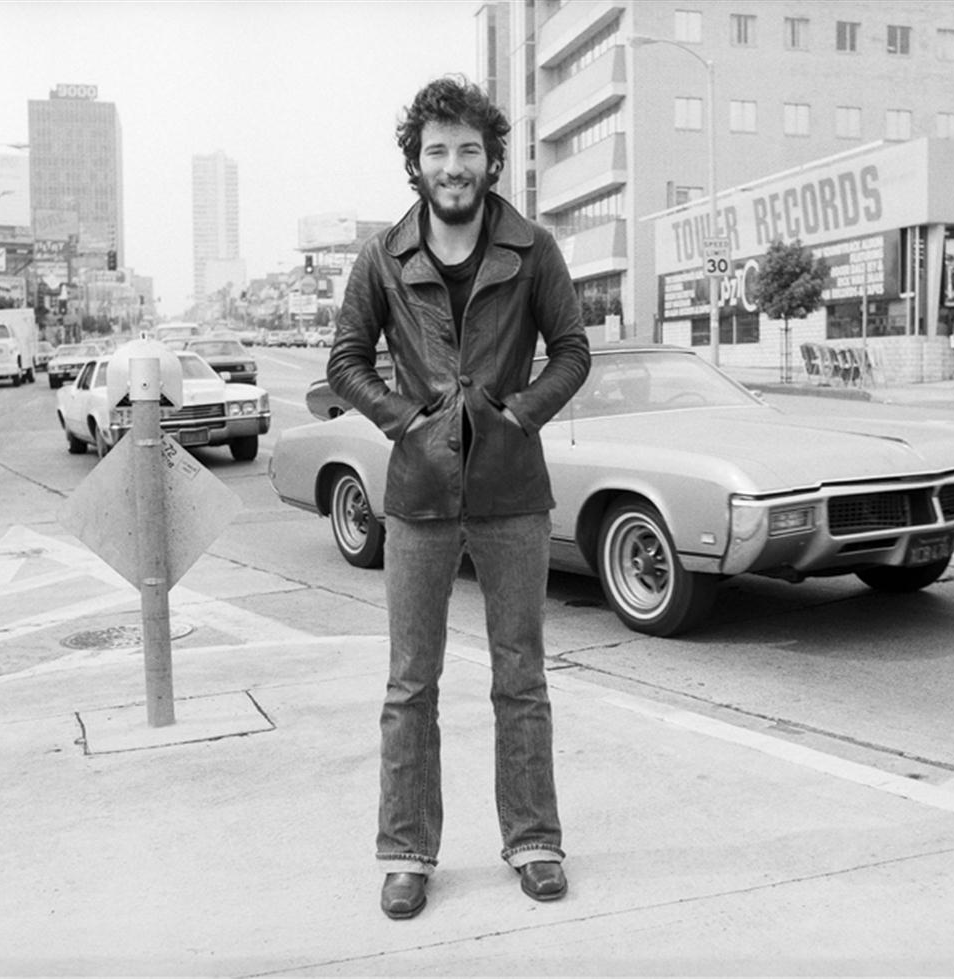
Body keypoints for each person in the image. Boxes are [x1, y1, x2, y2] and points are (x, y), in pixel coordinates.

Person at [326, 75, 590, 922]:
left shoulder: (533, 246)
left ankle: (535, 839)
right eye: (437, 150)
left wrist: (520, 412)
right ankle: (406, 851)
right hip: (420, 491)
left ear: (491, 160)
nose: (453, 166)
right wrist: (405, 420)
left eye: (469, 150)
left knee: (522, 676)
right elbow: (345, 359)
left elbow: (574, 350)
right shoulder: (382, 255)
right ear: (416, 161)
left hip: (514, 490)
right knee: (412, 683)